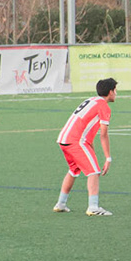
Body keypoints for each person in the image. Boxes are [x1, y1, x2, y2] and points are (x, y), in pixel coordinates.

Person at [55, 77, 117, 217]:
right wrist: (108, 158)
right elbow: (103, 134)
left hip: (64, 139)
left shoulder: (91, 100)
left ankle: (61, 204)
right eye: (115, 90)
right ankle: (93, 207)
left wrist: (91, 152)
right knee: (94, 172)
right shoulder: (104, 106)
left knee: (74, 170)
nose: (116, 93)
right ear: (110, 92)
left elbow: (88, 131)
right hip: (76, 141)